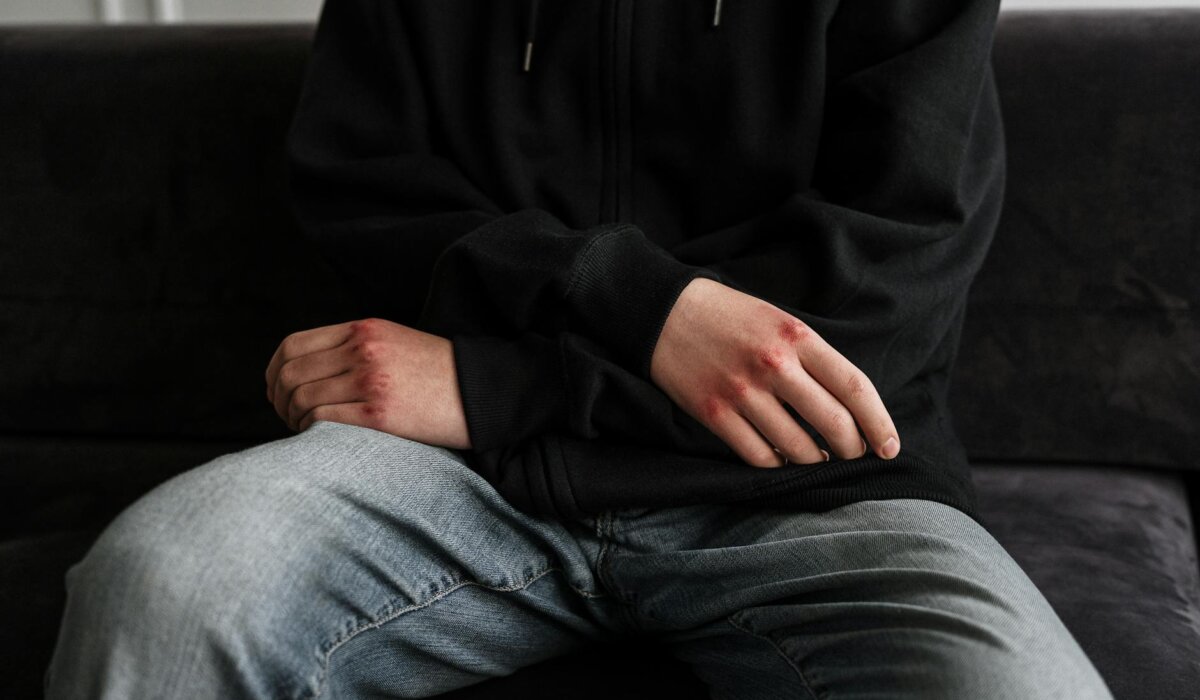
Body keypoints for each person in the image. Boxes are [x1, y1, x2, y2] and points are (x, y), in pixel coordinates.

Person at [45, 0, 1115, 698]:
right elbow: (364, 200)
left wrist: (500, 384)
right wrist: (645, 307)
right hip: (460, 480)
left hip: (811, 489)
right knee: (162, 583)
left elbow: (878, 303)